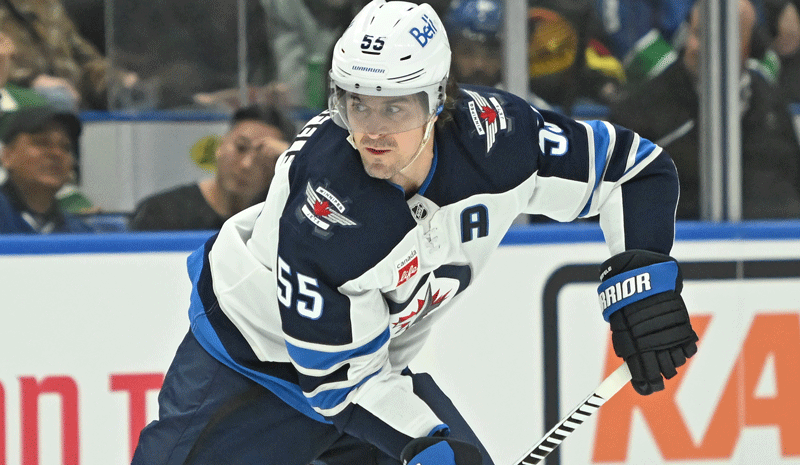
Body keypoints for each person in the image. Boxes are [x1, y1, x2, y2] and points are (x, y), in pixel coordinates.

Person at [132, 1, 698, 464]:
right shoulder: (330, 208)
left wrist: (640, 280)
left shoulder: (500, 143)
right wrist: (426, 443)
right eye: (357, 105)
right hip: (247, 372)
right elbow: (336, 385)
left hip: (374, 375)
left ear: (438, 101)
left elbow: (635, 171)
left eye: (395, 107)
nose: (372, 132)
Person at [607, 0, 800, 219]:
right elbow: (609, 202)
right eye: (699, 33)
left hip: (772, 244)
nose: (706, 47)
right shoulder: (641, 108)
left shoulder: (770, 104)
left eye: (723, 37)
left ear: (747, 45)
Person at [128, 105, 295, 231]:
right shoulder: (160, 212)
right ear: (220, 146)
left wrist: (294, 159)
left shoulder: (283, 219)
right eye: (240, 147)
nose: (247, 165)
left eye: (263, 157)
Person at [0, 0, 137, 110]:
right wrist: (31, 79)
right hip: (18, 91)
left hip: (72, 95)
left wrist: (117, 78)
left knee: (132, 95)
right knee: (59, 98)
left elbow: (86, 56)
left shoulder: (50, 6)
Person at [0, 102, 92, 232]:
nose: (56, 153)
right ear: (7, 155)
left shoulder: (81, 234)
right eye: (41, 142)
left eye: (65, 147)